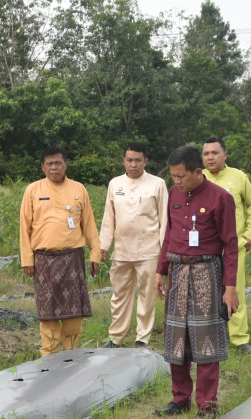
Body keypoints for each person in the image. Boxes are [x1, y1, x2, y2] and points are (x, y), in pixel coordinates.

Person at [155, 145, 238, 419]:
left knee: (206, 340)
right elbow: (169, 234)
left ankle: (207, 405)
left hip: (207, 271)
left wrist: (230, 287)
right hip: (178, 271)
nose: (176, 181)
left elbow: (231, 245)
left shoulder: (220, 198)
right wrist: (161, 270)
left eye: (181, 176)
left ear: (197, 172)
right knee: (176, 337)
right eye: (173, 176)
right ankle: (180, 399)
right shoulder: (174, 194)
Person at [19, 147, 101, 355]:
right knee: (48, 311)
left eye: (58, 163)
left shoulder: (79, 189)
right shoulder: (33, 190)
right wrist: (27, 259)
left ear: (66, 165)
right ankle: (49, 354)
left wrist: (95, 253)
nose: (54, 167)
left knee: (74, 312)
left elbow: (89, 224)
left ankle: (71, 354)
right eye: (49, 164)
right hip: (44, 259)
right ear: (42, 167)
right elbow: (25, 227)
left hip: (72, 258)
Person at [99, 143, 168, 347]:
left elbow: (164, 220)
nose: (133, 164)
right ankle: (116, 337)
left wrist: (165, 254)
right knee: (119, 294)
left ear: (145, 161)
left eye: (138, 160)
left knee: (147, 295)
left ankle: (142, 338)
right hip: (121, 250)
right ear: (124, 161)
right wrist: (104, 244)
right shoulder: (115, 184)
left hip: (148, 250)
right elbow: (108, 217)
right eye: (129, 160)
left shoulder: (157, 184)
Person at [201, 136, 251, 354]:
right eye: (206, 153)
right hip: (206, 248)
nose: (210, 157)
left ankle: (239, 338)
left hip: (234, 248)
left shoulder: (238, 177)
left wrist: (250, 235)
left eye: (215, 153)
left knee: (235, 291)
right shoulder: (199, 179)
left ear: (225, 155)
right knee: (205, 293)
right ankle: (209, 335)